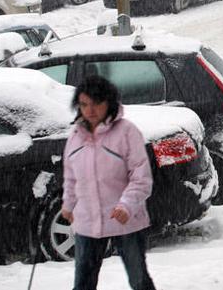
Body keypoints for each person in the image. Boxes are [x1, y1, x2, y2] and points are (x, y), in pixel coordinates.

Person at [61, 75, 157, 290]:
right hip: (87, 221)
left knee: (139, 279)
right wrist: (68, 205)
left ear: (109, 103)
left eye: (97, 103)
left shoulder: (127, 132)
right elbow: (71, 177)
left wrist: (127, 205)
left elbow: (141, 178)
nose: (90, 110)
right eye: (84, 104)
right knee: (83, 283)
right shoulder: (75, 136)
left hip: (126, 221)